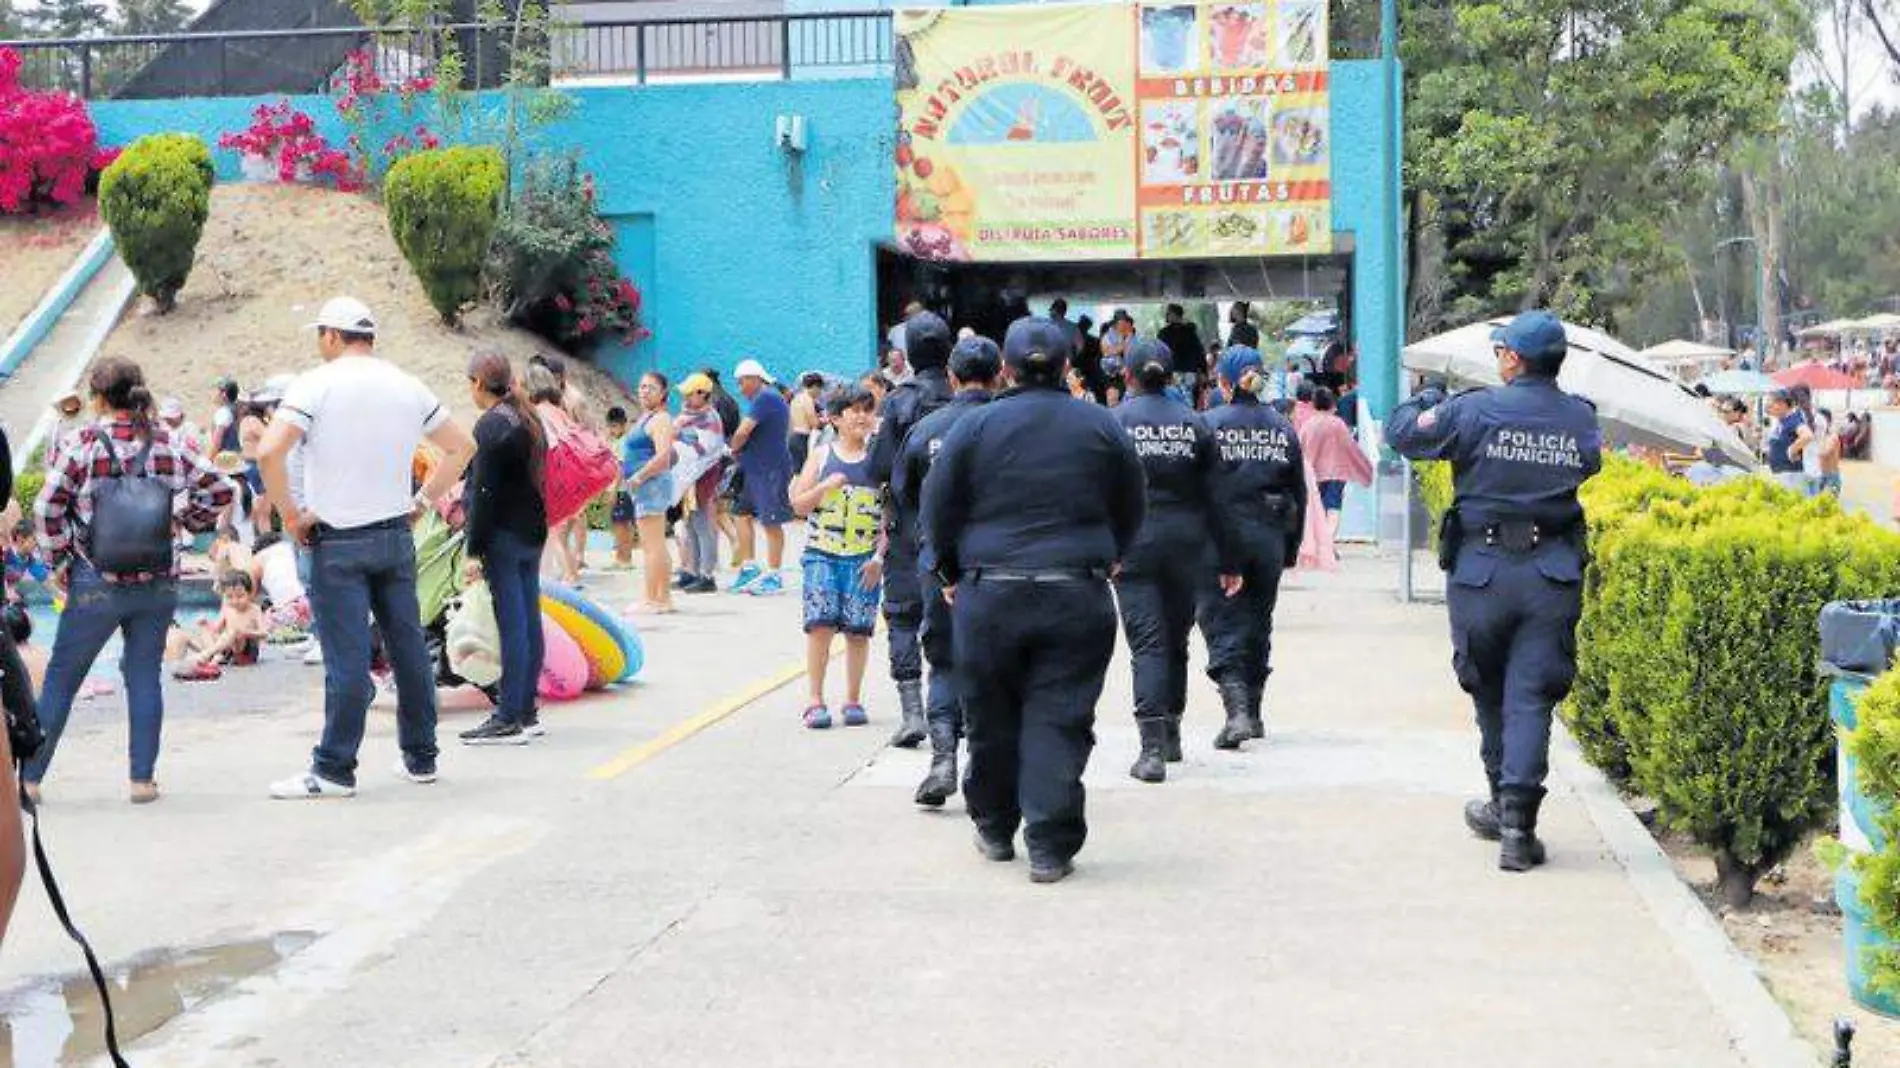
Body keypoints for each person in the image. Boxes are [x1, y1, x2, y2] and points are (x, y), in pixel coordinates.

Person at [923, 317, 1146, 884]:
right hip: (1077, 590)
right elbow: (1132, 502)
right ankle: (1048, 844)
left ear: (1006, 368)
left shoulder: (973, 430)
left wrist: (948, 569)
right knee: (1060, 716)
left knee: (990, 713)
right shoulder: (1102, 425)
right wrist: (1112, 554)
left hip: (988, 592)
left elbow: (939, 507)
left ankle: (996, 827)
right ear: (1070, 366)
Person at [1385, 309, 1604, 873]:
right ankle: (1516, 827)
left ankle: (1502, 805)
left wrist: (1427, 394)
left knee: (1487, 687)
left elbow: (1403, 433)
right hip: (1550, 574)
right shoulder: (1579, 419)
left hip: (1481, 573)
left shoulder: (1475, 410)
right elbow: (1590, 462)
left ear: (1512, 359)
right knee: (1531, 696)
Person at [260, 296, 476, 799]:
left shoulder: (315, 383)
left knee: (347, 659)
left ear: (333, 336)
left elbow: (270, 450)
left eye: (320, 335)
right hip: (394, 535)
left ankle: (335, 768)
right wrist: (421, 501)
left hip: (337, 540)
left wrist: (290, 515)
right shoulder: (406, 384)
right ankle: (421, 757)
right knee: (408, 652)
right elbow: (462, 447)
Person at [28, 357, 236, 805]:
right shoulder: (170, 442)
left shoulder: (83, 442)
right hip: (157, 583)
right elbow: (222, 489)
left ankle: (30, 778)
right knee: (144, 677)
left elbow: (45, 508)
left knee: (63, 678)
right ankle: (142, 780)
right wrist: (182, 520)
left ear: (99, 397)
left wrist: (62, 559)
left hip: (97, 580)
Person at [893, 333, 1002, 807]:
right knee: (996, 666)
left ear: (953, 378)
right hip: (999, 563)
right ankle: (984, 763)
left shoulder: (926, 429)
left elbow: (905, 497)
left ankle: (942, 760)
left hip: (939, 566)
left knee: (943, 661)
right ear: (999, 376)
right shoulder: (1009, 426)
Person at [1113, 340, 1219, 782]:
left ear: (1127, 375)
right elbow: (1217, 496)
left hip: (1132, 547)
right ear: (1172, 376)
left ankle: (1151, 749)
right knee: (1176, 639)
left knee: (1148, 645)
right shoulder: (1195, 425)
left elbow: (1098, 489)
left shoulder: (1114, 423)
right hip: (1186, 546)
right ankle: (1171, 732)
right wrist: (1224, 557)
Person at [1199, 345, 1307, 750]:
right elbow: (1299, 491)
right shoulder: (1282, 426)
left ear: (1224, 381)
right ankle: (1255, 711)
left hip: (1221, 536)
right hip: (1270, 536)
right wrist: (1291, 547)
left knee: (1221, 620)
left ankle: (1237, 712)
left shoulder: (1208, 423)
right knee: (1259, 620)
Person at [872, 309, 955, 748]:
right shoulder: (969, 399)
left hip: (907, 522)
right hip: (961, 526)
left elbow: (879, 466)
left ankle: (913, 712)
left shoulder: (900, 401)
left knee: (903, 615)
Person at [457, 352, 550, 746]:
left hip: (504, 537)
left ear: (478, 382)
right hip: (531, 531)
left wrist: (473, 548)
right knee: (528, 620)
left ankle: (509, 714)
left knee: (511, 624)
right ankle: (526, 709)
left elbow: (483, 494)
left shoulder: (492, 425)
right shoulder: (526, 419)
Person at [790, 387, 884, 729]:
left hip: (864, 557)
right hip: (821, 554)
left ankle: (853, 699)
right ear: (834, 418)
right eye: (853, 410)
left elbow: (890, 516)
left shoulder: (878, 460)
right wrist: (824, 487)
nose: (861, 416)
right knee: (820, 626)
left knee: (859, 631)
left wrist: (879, 557)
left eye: (867, 410)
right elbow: (799, 504)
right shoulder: (821, 455)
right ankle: (814, 699)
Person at [726, 358, 794, 596]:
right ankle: (749, 567)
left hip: (770, 469)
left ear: (755, 379)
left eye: (742, 382)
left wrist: (732, 448)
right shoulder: (764, 398)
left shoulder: (766, 398)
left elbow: (744, 430)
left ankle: (774, 575)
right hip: (754, 469)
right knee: (740, 514)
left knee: (771, 521)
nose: (739, 388)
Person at [527, 358, 586, 586]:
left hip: (551, 478)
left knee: (552, 532)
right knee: (557, 530)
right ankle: (569, 573)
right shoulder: (557, 409)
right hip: (567, 476)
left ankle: (569, 576)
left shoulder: (541, 413)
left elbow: (547, 447)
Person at [624, 372, 678, 613]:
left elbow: (663, 456)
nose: (644, 391)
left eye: (651, 388)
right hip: (645, 484)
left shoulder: (661, 419)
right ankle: (662, 598)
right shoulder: (648, 417)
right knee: (655, 544)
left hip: (651, 485)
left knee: (651, 545)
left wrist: (639, 476)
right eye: (642, 386)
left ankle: (651, 598)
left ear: (663, 393)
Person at [672, 374, 727, 593]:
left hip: (702, 476)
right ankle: (692, 571)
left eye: (690, 393)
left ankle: (707, 575)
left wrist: (679, 440)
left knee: (702, 524)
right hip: (688, 477)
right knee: (690, 524)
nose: (685, 397)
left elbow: (705, 448)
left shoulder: (709, 418)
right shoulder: (690, 416)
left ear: (703, 394)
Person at [1299, 387, 1375, 538]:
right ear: (1332, 403)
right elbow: (1350, 447)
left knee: (1316, 508)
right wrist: (1365, 469)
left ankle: (1319, 542)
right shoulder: (1337, 424)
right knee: (1333, 507)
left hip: (1313, 473)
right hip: (1336, 472)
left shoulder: (1308, 425)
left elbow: (1299, 449)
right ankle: (1328, 541)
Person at [172, 571, 269, 675]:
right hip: (227, 649)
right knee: (202, 630)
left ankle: (207, 655)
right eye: (229, 597)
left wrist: (245, 633)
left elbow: (264, 633)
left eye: (240, 596)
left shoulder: (254, 610)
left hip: (245, 652)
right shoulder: (227, 609)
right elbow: (216, 629)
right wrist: (207, 624)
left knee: (233, 631)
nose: (235, 601)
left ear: (249, 593)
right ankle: (213, 656)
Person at [1156, 304, 1207, 405]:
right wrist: (1203, 370)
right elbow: (1199, 352)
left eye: (1168, 313)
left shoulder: (1164, 334)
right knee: (1188, 398)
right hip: (1189, 370)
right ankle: (1189, 417)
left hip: (1173, 371)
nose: (1166, 315)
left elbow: (1159, 354)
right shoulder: (1190, 332)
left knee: (1173, 398)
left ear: (1174, 314)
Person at [604, 407, 636, 570]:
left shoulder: (624, 442)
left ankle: (624, 559)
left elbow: (621, 468)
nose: (612, 430)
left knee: (622, 525)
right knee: (619, 524)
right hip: (619, 489)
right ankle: (622, 557)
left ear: (624, 425)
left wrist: (614, 490)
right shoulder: (617, 441)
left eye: (615, 426)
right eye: (610, 426)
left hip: (622, 489)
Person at [1764, 390, 1807, 493]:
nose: (1768, 408)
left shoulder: (1793, 420)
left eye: (1771, 404)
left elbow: (1807, 435)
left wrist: (1792, 449)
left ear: (1782, 404)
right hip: (1780, 473)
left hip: (1790, 475)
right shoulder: (1781, 420)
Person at [45, 388, 89, 468]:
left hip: (85, 462)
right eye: (67, 402)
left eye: (72, 401)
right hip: (65, 465)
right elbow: (53, 448)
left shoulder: (86, 422)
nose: (70, 404)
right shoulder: (56, 426)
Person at [790, 372, 825, 473]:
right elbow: (813, 423)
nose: (820, 393)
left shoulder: (796, 399)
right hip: (803, 438)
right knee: (805, 472)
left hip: (793, 436)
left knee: (796, 472)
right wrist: (823, 421)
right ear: (815, 387)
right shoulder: (808, 400)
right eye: (820, 389)